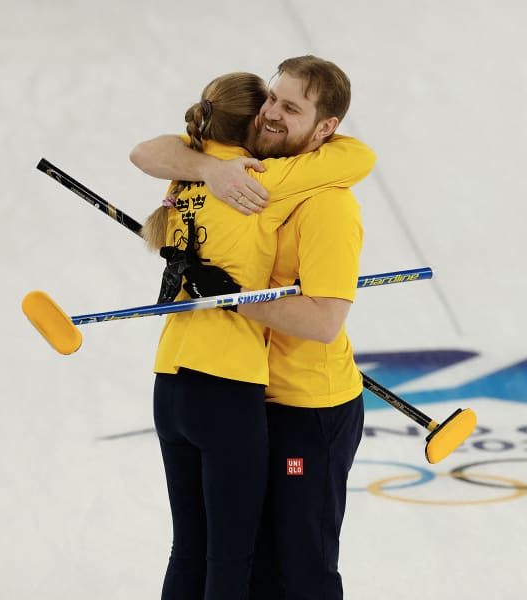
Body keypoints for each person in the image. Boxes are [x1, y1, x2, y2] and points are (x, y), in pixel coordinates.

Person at [131, 69, 375, 600]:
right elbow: (151, 153)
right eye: (272, 99)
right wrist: (212, 171)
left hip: (309, 407)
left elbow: (323, 321)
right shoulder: (243, 172)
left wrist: (234, 297)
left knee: (298, 567)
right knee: (253, 567)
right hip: (254, 395)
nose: (272, 113)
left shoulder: (327, 200)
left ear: (324, 128)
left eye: (292, 109)